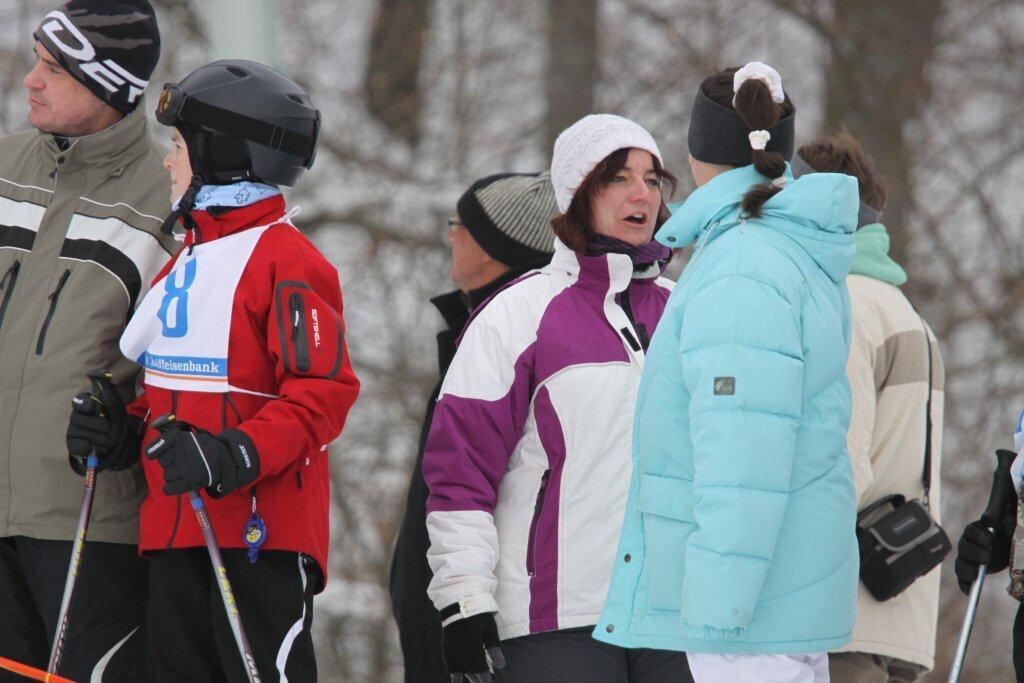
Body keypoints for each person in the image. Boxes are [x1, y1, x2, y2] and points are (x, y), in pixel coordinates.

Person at [66, 59, 360, 681]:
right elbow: (176, 389)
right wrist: (123, 431)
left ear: (225, 156)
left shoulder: (288, 260)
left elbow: (321, 395)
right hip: (174, 528)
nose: (167, 162)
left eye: (177, 146)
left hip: (258, 535)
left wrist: (235, 453)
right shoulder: (190, 258)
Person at [596, 63, 859, 683]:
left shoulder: (742, 263)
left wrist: (717, 607)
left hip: (748, 617)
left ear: (695, 152)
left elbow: (743, 450)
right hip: (779, 597)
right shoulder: (779, 246)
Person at [422, 113, 692, 683]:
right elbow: (459, 475)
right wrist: (464, 601)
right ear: (577, 193)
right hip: (557, 621)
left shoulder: (687, 310)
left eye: (651, 177)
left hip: (676, 614)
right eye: (618, 177)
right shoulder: (517, 315)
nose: (641, 193)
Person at [0, 1, 170, 679]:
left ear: (106, 85)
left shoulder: (166, 198)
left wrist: (133, 432)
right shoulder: (6, 163)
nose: (29, 82)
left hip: (89, 523)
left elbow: (190, 365)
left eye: (53, 69)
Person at [389, 171, 558, 683]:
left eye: (457, 224)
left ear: (491, 247)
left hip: (484, 616)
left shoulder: (505, 342)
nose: (449, 235)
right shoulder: (479, 328)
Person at [793, 132, 945, 682]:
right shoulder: (902, 309)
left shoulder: (847, 305)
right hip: (895, 608)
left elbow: (840, 467)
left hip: (840, 620)